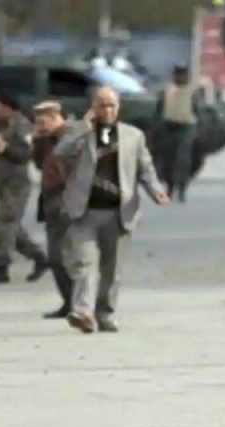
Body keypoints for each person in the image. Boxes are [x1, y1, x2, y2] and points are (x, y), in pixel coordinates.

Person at [54, 87, 169, 334]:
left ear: (118, 108)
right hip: (84, 211)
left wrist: (156, 190)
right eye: (102, 105)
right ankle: (83, 313)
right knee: (84, 264)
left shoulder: (133, 136)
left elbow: (145, 168)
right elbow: (60, 152)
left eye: (111, 105)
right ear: (92, 107)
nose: (107, 110)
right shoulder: (78, 132)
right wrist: (83, 130)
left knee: (112, 270)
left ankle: (105, 314)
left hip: (118, 211)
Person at [0, 95, 49, 285]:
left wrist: (4, 147)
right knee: (12, 227)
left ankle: (1, 268)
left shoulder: (22, 126)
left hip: (15, 185)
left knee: (5, 226)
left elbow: (26, 154)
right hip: (3, 183)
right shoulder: (6, 125)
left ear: (8, 107)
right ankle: (40, 258)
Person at [31, 101, 76, 319]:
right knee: (55, 257)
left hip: (67, 199)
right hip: (50, 201)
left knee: (64, 256)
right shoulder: (47, 139)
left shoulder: (72, 136)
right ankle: (69, 302)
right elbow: (39, 164)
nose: (40, 126)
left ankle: (80, 302)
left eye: (42, 121)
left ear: (55, 116)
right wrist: (38, 139)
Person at [154, 65, 199, 202]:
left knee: (183, 158)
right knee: (168, 159)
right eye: (178, 74)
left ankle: (182, 188)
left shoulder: (192, 91)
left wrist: (198, 129)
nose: (181, 77)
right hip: (168, 126)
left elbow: (196, 111)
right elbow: (158, 110)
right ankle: (170, 186)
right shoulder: (166, 91)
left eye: (183, 74)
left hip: (186, 126)